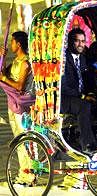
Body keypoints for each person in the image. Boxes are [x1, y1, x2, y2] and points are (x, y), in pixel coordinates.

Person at [0, 31, 35, 185]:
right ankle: (23, 173)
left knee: (24, 139)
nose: (11, 45)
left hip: (22, 105)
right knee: (18, 140)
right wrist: (1, 56)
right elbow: (2, 73)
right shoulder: (15, 61)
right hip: (12, 104)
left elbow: (20, 86)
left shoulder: (26, 63)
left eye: (12, 42)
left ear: (18, 44)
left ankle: (30, 174)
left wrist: (4, 79)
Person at [60, 28, 97, 154]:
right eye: (77, 41)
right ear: (70, 42)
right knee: (84, 106)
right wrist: (82, 96)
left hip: (81, 96)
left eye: (83, 41)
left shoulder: (83, 58)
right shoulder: (63, 58)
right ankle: (87, 145)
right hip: (65, 98)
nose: (80, 44)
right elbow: (63, 86)